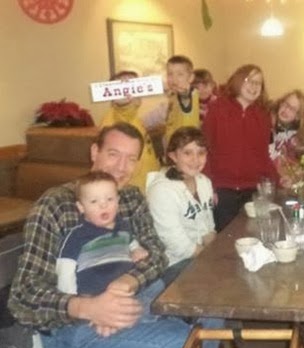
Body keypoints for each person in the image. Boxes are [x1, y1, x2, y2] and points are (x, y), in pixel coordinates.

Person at [8, 122, 192, 348]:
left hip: (132, 301)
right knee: (183, 346)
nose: (122, 167)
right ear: (94, 152)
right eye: (113, 154)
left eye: (131, 158)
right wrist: (88, 307)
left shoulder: (130, 198)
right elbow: (23, 295)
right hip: (73, 330)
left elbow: (156, 255)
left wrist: (123, 284)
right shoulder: (56, 205)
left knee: (204, 307)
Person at [202, 64, 278, 231]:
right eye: (249, 81)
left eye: (258, 83)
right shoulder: (217, 109)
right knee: (225, 238)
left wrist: (277, 181)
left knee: (251, 235)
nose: (254, 86)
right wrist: (208, 187)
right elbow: (205, 149)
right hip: (222, 189)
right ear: (238, 81)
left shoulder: (262, 115)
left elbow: (262, 156)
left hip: (253, 190)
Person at [56, 171, 149, 296]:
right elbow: (65, 267)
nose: (103, 205)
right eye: (94, 201)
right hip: (94, 297)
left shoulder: (123, 225)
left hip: (128, 290)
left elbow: (130, 240)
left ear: (118, 201)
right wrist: (73, 298)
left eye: (110, 199)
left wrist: (136, 249)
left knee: (161, 285)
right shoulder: (78, 235)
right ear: (81, 207)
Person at [147, 126, 216, 285]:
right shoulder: (162, 191)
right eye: (187, 153)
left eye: (201, 153)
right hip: (174, 263)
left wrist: (219, 252)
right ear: (173, 156)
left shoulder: (204, 182)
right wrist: (213, 259)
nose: (195, 160)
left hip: (201, 254)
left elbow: (208, 229)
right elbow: (178, 246)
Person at [100, 70, 160, 192]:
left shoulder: (135, 118)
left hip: (147, 186)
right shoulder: (117, 118)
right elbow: (123, 111)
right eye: (125, 88)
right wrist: (123, 105)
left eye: (136, 87)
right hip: (132, 189)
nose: (133, 92)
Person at [269, 89, 304, 187]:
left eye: (292, 109)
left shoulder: (297, 138)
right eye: (285, 104)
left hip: (284, 184)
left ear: (298, 116)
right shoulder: (265, 123)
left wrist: (292, 178)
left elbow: (301, 167)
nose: (286, 110)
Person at [164, 55, 200, 148]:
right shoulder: (173, 97)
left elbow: (185, 95)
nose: (174, 79)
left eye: (180, 74)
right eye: (170, 74)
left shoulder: (190, 94)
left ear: (191, 78)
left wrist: (183, 93)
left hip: (186, 149)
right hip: (174, 148)